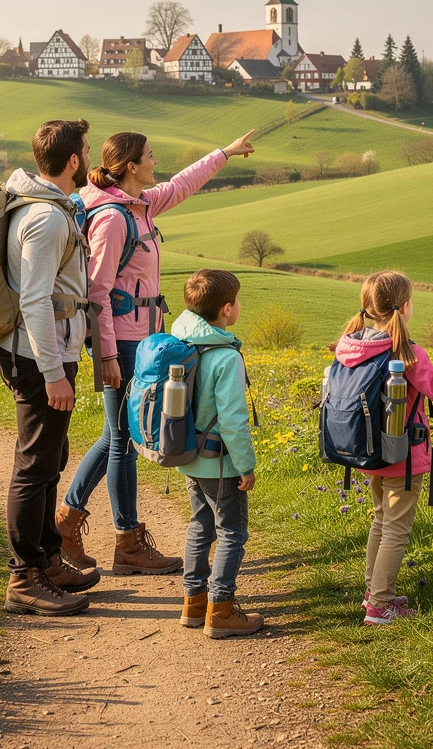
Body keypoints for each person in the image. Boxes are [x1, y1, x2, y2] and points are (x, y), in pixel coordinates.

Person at [57, 129, 256, 574]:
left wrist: (223, 151)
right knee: (123, 438)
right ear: (130, 165)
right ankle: (121, 539)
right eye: (149, 156)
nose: (155, 161)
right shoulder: (112, 218)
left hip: (143, 343)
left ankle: (71, 522)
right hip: (123, 344)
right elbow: (98, 292)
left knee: (118, 435)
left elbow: (184, 183)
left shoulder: (141, 205)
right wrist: (107, 354)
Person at [331, 270, 433, 626]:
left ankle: (374, 592)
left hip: (365, 451)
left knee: (381, 520)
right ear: (405, 307)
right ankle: (380, 605)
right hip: (402, 457)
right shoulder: (407, 352)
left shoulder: (350, 344)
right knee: (396, 528)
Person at [0, 119, 101, 617]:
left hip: (45, 354)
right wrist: (53, 372)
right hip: (41, 358)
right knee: (35, 466)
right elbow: (36, 302)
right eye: (86, 149)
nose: (90, 155)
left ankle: (47, 560)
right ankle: (24, 578)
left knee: (49, 461)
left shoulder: (48, 208)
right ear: (73, 160)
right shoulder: (48, 219)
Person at [174, 269, 262, 639]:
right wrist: (246, 465)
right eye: (238, 300)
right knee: (232, 533)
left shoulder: (180, 338)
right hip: (220, 464)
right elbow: (233, 420)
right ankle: (221, 610)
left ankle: (193, 603)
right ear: (227, 309)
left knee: (200, 524)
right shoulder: (226, 357)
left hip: (187, 455)